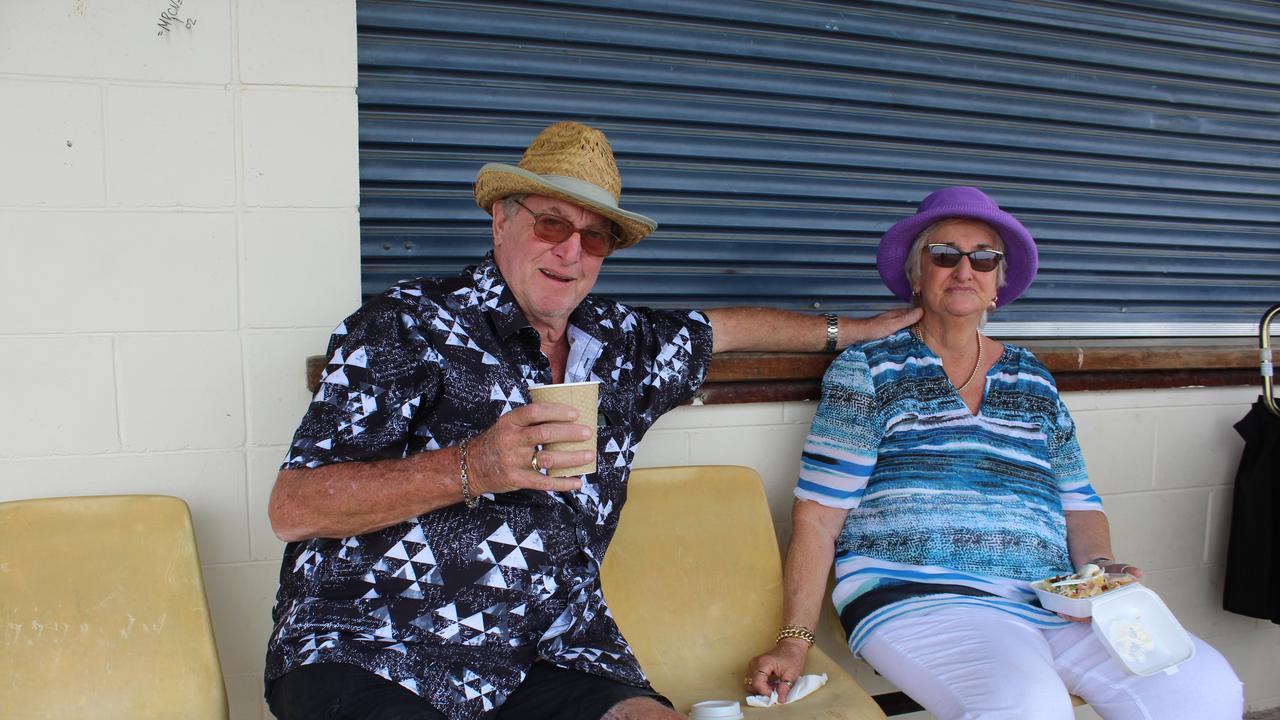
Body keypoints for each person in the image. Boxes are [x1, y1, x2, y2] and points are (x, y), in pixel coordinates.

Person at [263, 121, 919, 720]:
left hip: (548, 649)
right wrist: (474, 467)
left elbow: (730, 327)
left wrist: (856, 329)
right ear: (501, 219)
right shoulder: (410, 322)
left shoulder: (623, 343)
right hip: (376, 642)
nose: (571, 250)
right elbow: (294, 508)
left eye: (594, 235)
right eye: (551, 224)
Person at [745, 186, 1244, 719]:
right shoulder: (868, 369)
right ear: (917, 275)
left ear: (997, 285)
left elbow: (1078, 502)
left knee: (1203, 691)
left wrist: (1097, 573)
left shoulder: (1033, 377)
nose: (965, 269)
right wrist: (794, 638)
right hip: (919, 598)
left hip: (1050, 599)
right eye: (944, 255)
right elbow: (819, 517)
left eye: (984, 258)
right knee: (1026, 708)